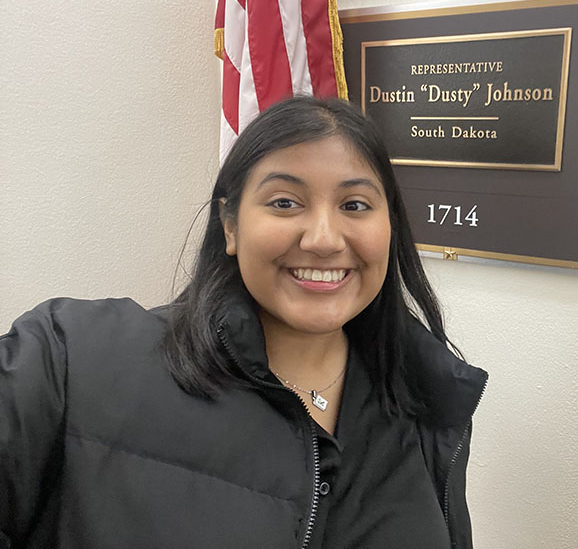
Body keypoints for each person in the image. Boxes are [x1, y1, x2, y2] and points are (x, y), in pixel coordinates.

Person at [0, 96, 488, 549]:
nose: (323, 238)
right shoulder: (71, 360)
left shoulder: (428, 404)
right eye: (284, 202)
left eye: (354, 205)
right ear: (230, 225)